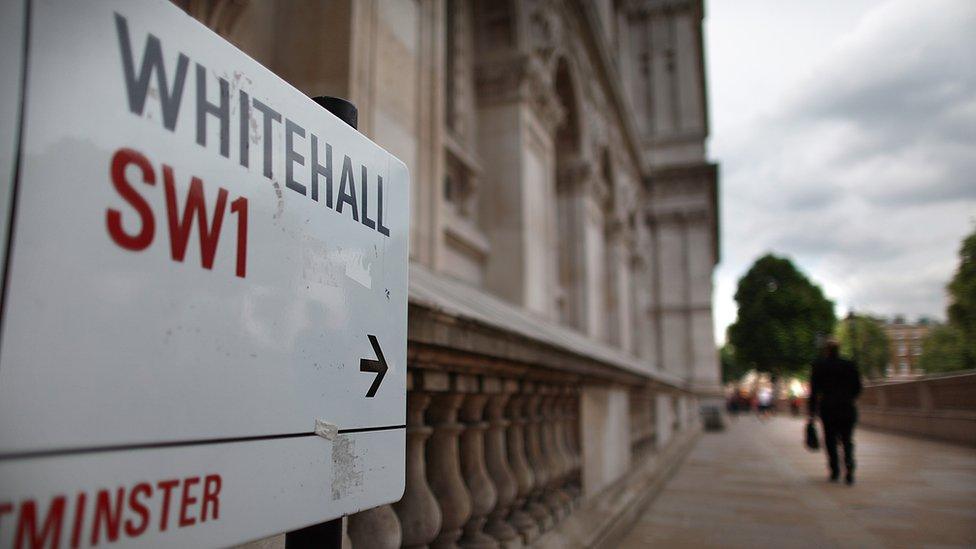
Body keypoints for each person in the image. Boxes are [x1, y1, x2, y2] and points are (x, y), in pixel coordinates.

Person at [808, 337, 862, 484]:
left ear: (826, 350)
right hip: (847, 407)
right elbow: (858, 388)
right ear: (839, 349)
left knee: (830, 439)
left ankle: (835, 470)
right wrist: (848, 397)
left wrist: (811, 413)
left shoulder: (819, 366)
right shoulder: (849, 365)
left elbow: (814, 391)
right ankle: (849, 467)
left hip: (828, 408)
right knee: (847, 439)